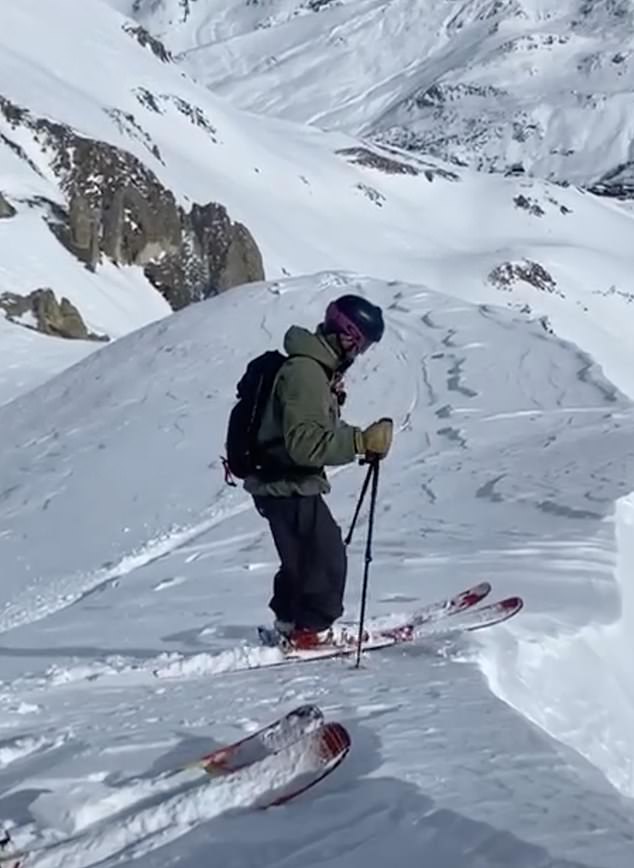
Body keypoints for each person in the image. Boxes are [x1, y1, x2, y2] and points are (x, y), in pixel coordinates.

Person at [244, 294, 393, 648]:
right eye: (361, 345)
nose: (359, 355)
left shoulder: (314, 370)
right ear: (346, 335)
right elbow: (303, 444)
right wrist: (359, 442)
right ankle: (311, 631)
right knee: (326, 560)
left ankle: (290, 623)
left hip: (279, 481)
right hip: (287, 482)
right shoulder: (306, 373)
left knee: (302, 560)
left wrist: (353, 436)